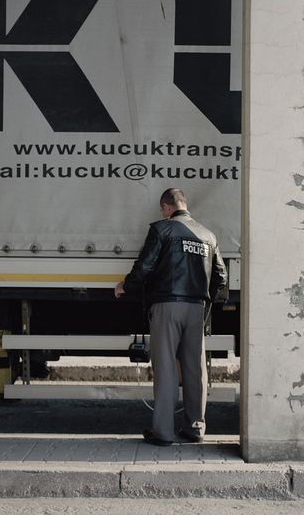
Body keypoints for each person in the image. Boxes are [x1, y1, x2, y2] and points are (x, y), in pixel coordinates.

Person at [114, 187, 228, 446]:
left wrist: (126, 286)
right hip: (196, 307)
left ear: (166, 207)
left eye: (162, 209)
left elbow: (145, 266)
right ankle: (195, 429)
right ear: (184, 205)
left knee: (166, 368)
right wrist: (204, 304)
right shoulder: (208, 235)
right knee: (195, 369)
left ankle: (164, 433)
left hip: (167, 305)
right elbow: (221, 278)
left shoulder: (161, 230)